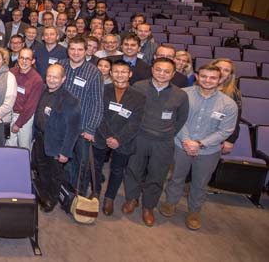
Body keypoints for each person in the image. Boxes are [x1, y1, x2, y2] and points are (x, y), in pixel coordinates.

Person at [160, 65, 237, 230]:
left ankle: (194, 211)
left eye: (212, 78)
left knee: (200, 183)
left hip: (209, 151)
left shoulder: (228, 104)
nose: (207, 80)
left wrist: (200, 144)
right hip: (181, 145)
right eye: (204, 76)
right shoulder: (183, 94)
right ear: (197, 76)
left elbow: (226, 130)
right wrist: (187, 141)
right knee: (177, 177)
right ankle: (170, 202)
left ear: (220, 79)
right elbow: (177, 119)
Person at [122, 57, 189, 227]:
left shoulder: (180, 95)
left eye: (167, 71)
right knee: (133, 170)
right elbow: (129, 110)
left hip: (163, 142)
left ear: (173, 74)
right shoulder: (139, 87)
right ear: (152, 70)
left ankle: (148, 207)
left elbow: (181, 119)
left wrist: (167, 133)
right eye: (158, 69)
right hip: (139, 137)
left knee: (157, 175)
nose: (162, 74)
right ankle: (132, 199)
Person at [92, 60, 145, 216]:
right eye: (116, 71)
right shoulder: (102, 90)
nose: (119, 75)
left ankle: (109, 198)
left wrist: (118, 139)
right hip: (102, 136)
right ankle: (95, 193)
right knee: (96, 167)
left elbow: (135, 122)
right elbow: (98, 114)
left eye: (123, 72)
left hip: (124, 140)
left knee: (117, 170)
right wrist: (108, 136)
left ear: (130, 74)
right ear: (111, 73)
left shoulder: (139, 97)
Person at [57, 36, 104, 194]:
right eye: (72, 49)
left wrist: (91, 129)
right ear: (67, 49)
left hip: (81, 127)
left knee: (81, 165)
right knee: (62, 161)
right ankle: (63, 192)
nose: (75, 52)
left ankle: (79, 196)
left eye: (79, 49)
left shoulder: (94, 73)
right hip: (61, 125)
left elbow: (97, 103)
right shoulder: (60, 66)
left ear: (86, 51)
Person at [32, 64, 81, 212]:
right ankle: (43, 194)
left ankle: (51, 200)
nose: (51, 80)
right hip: (41, 139)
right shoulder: (44, 92)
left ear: (63, 79)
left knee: (54, 175)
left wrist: (65, 152)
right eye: (49, 76)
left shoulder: (70, 100)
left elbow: (73, 129)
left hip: (56, 145)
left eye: (55, 77)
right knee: (42, 170)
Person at [7, 48, 43, 148]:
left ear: (33, 61)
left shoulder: (37, 80)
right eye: (21, 58)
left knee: (24, 147)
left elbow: (30, 107)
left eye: (27, 59)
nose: (24, 61)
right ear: (17, 60)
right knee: (9, 146)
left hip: (25, 118)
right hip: (9, 115)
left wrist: (18, 123)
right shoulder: (11, 72)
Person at [210, 58, 242, 155]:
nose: (222, 72)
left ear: (230, 75)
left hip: (217, 137)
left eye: (226, 70)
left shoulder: (234, 94)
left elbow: (236, 119)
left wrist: (230, 140)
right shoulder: (197, 87)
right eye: (219, 68)